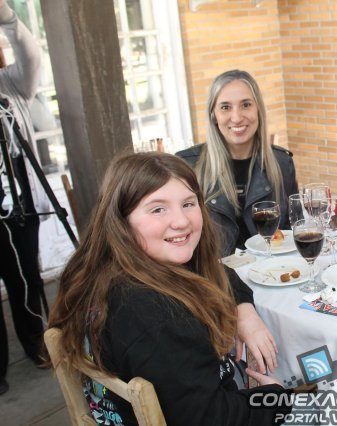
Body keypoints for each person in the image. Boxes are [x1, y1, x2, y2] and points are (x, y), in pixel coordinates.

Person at [47, 152, 291, 425]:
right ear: (121, 220)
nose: (181, 221)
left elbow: (221, 272)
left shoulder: (111, 271)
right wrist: (276, 398)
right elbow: (210, 419)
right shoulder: (156, 314)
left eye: (188, 204)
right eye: (158, 209)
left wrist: (245, 312)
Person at [177, 70, 298, 256]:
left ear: (258, 110)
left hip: (273, 271)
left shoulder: (282, 163)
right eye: (225, 107)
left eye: (246, 105)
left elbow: (294, 232)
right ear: (213, 115)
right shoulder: (187, 166)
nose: (237, 117)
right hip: (214, 273)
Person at [0, 0, 48, 395]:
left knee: (26, 279)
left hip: (19, 207)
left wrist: (7, 17)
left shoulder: (11, 85)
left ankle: (36, 343)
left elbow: (31, 56)